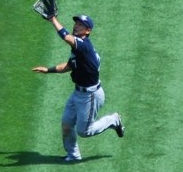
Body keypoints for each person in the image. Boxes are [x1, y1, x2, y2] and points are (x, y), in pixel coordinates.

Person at [32, 13, 124, 162]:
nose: (76, 26)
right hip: (78, 93)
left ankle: (113, 120)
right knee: (67, 124)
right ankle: (74, 155)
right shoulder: (79, 49)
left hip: (91, 96)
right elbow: (69, 66)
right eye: (76, 23)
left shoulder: (84, 46)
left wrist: (53, 19)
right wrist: (48, 70)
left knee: (84, 131)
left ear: (88, 31)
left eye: (81, 25)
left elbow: (66, 37)